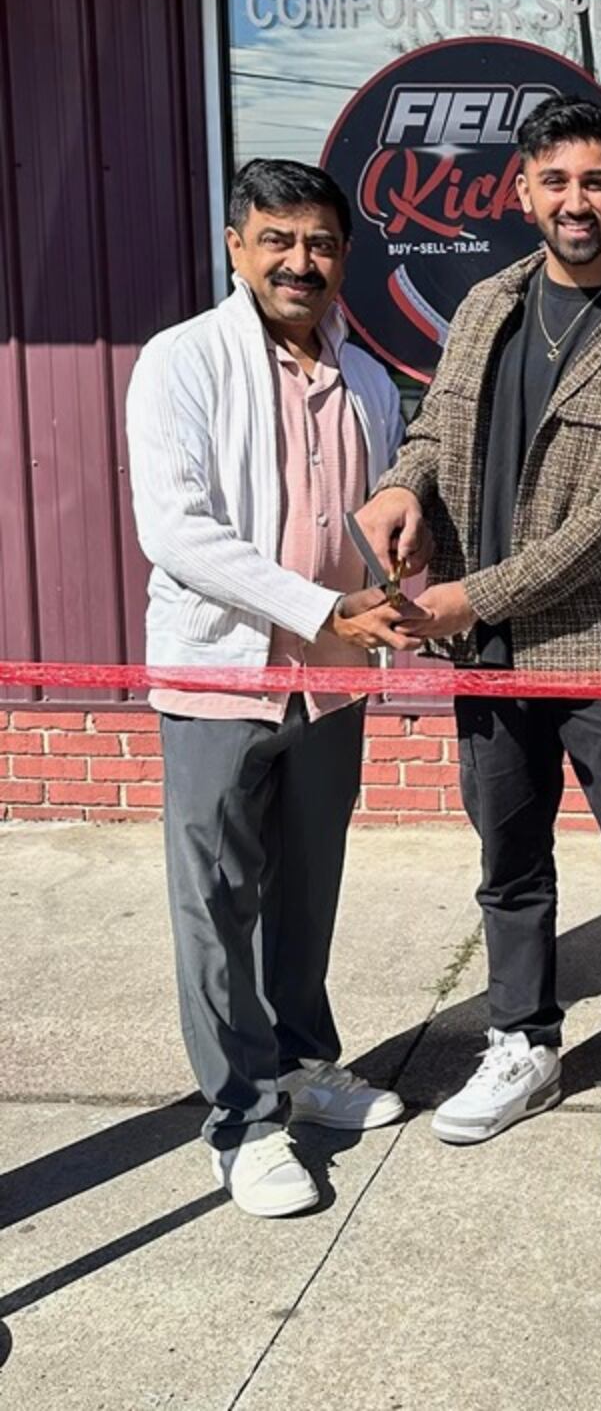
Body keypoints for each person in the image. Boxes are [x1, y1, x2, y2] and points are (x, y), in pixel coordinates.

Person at [356, 95, 601, 1184]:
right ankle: (521, 1043)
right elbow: (433, 424)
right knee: (507, 864)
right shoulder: (482, 308)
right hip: (491, 655)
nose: (575, 201)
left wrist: (478, 595)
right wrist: (398, 485)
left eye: (595, 182)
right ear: (522, 190)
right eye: (554, 180)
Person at [126, 159, 417, 1219]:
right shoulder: (182, 362)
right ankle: (242, 1121)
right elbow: (177, 529)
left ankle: (303, 1068)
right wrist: (319, 606)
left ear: (344, 257)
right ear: (237, 245)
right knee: (215, 904)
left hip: (331, 686)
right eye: (279, 240)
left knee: (305, 895)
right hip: (220, 674)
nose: (302, 262)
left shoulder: (370, 380)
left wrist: (396, 592)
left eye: (322, 244)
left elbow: (374, 531)